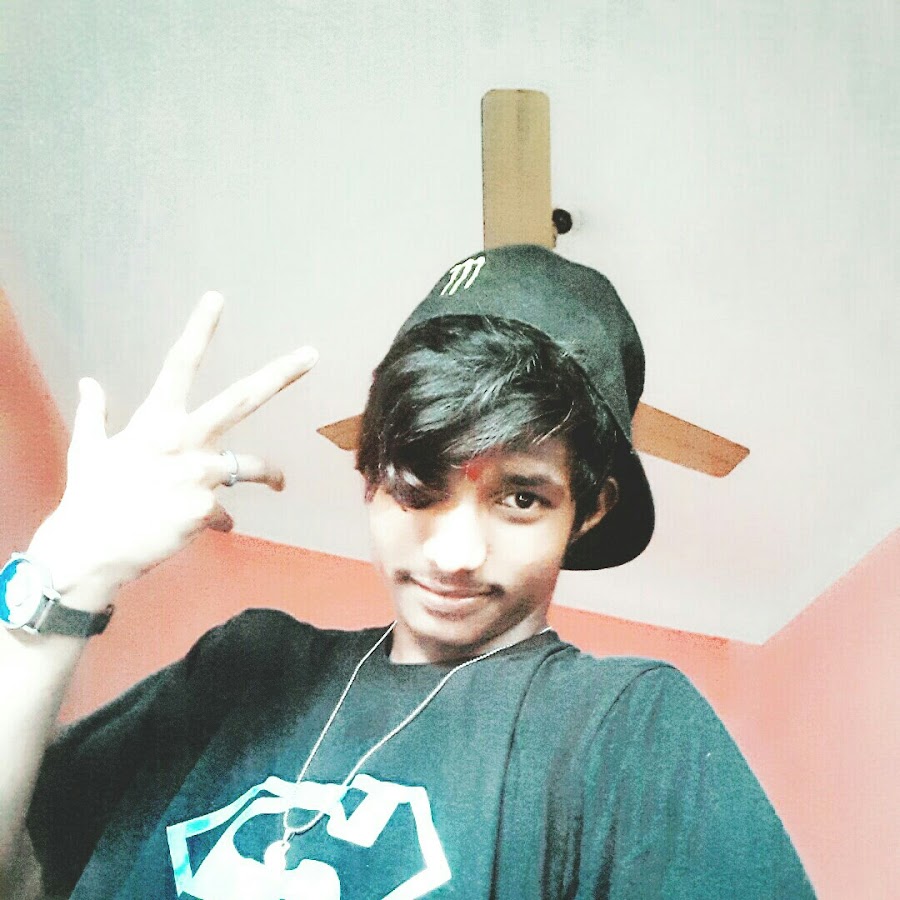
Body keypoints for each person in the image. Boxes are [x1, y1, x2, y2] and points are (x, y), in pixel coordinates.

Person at [0, 245, 815, 898]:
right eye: (420, 483)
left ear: (589, 510)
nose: (455, 554)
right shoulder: (245, 664)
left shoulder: (627, 727)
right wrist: (63, 580)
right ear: (370, 474)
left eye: (521, 498)